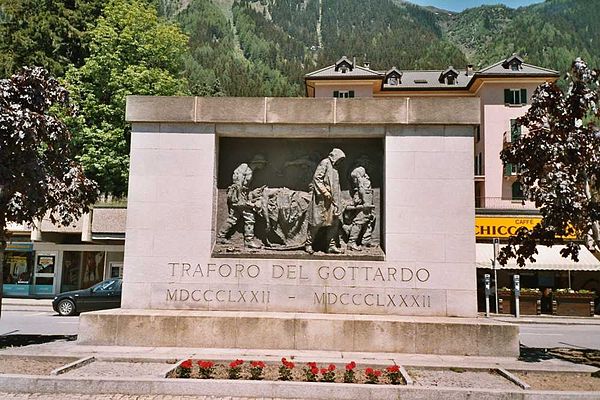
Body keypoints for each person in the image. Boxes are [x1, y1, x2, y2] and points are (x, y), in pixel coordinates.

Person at [217, 154, 267, 249]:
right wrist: (241, 199)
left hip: (241, 195)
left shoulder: (250, 170)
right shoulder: (244, 167)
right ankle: (249, 240)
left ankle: (221, 236)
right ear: (258, 163)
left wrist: (251, 194)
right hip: (238, 196)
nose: (263, 166)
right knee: (250, 217)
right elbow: (238, 184)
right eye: (263, 163)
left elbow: (245, 186)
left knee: (233, 218)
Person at [305, 148, 345, 254]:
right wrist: (325, 192)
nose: (340, 162)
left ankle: (331, 245)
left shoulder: (335, 168)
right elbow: (317, 178)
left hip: (333, 201)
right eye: (339, 159)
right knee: (316, 223)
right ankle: (308, 244)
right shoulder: (325, 162)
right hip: (322, 200)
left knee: (334, 223)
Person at [347, 166, 376, 251]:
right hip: (365, 204)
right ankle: (351, 242)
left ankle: (366, 241)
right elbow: (360, 191)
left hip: (368, 204)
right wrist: (362, 201)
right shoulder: (361, 181)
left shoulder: (364, 180)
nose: (354, 181)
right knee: (359, 222)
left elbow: (362, 190)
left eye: (355, 178)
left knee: (369, 221)